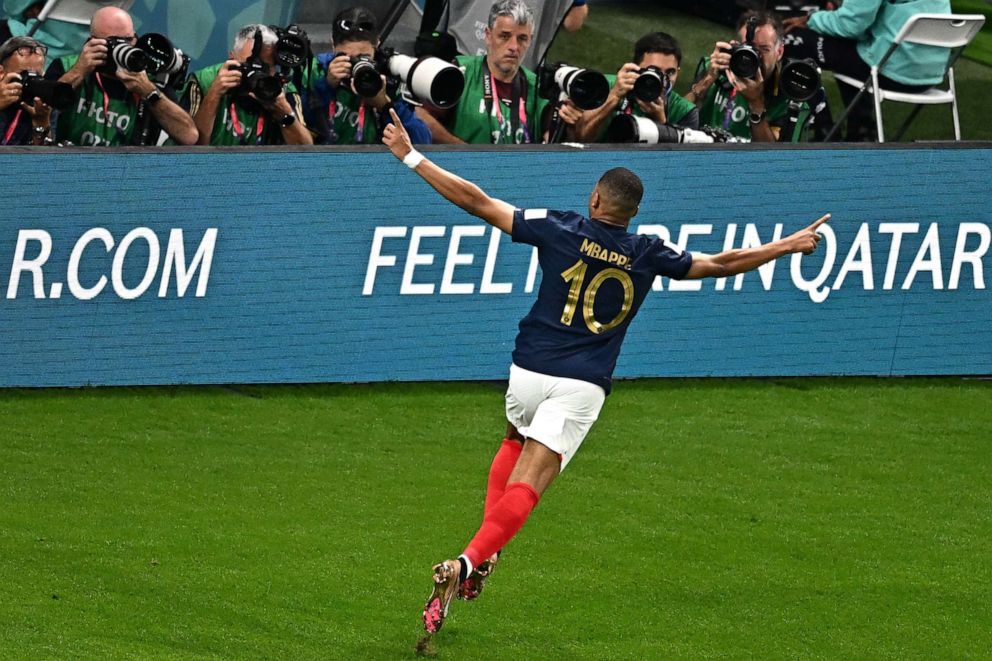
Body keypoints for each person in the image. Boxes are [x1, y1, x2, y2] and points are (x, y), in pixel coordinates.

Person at [380, 108, 830, 638]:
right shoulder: (646, 253)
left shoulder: (559, 228)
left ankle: (482, 559)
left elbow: (475, 200)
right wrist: (785, 246)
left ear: (596, 200)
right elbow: (721, 263)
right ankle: (468, 562)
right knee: (532, 481)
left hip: (526, 370)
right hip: (581, 384)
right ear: (633, 214)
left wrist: (411, 155)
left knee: (512, 440)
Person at [783, 0, 952, 141]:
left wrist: (812, 19)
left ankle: (824, 129)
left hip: (893, 70)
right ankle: (862, 129)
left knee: (794, 40)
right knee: (850, 52)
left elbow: (850, 25)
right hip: (932, 73)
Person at [43, 6, 197, 146]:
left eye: (128, 40)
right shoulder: (66, 66)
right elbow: (39, 113)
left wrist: (149, 92)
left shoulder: (149, 79)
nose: (123, 47)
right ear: (92, 41)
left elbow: (189, 136)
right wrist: (78, 72)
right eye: (113, 42)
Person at [415, 0, 549, 145]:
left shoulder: (537, 87)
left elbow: (560, 138)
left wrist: (576, 124)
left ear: (531, 40)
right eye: (504, 36)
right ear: (488, 35)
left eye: (522, 38)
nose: (514, 46)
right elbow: (420, 114)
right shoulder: (461, 73)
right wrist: (463, 150)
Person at [302, 6, 430, 145]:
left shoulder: (388, 79)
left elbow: (422, 142)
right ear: (333, 45)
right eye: (346, 56)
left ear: (377, 44)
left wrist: (385, 106)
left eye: (363, 57)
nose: (355, 64)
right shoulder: (316, 69)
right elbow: (298, 128)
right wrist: (326, 86)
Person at [689, 10, 816, 143]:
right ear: (734, 45)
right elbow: (675, 118)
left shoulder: (791, 96)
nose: (755, 57)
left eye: (764, 49)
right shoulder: (715, 68)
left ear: (779, 52)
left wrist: (756, 104)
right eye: (748, 48)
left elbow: (774, 158)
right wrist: (706, 81)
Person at [184, 24, 312, 146]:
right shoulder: (205, 81)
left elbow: (305, 153)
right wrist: (214, 94)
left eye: (265, 68)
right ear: (232, 58)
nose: (257, 74)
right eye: (250, 65)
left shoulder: (284, 90)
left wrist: (283, 112)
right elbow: (190, 146)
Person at [573, 30, 699, 143]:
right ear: (635, 68)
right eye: (654, 70)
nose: (662, 80)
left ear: (678, 71)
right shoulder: (604, 85)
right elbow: (580, 139)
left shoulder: (685, 112)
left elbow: (674, 164)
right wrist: (614, 96)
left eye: (670, 72)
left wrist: (660, 123)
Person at [0, 36, 52, 145]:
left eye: (37, 77)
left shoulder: (43, 106)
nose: (30, 83)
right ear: (1, 73)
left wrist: (41, 124)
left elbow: (43, 160)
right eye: (24, 75)